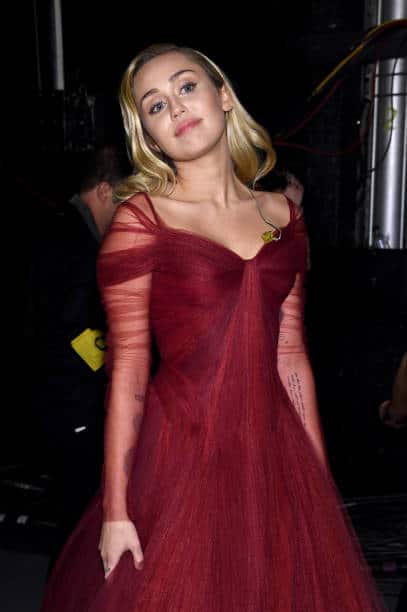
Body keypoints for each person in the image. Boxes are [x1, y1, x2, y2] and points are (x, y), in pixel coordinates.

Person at [41, 43, 386, 611]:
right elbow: (127, 372)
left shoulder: (283, 217)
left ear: (223, 96)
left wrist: (318, 483)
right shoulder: (142, 220)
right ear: (150, 136)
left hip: (271, 454)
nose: (175, 107)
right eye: (155, 105)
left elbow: (291, 358)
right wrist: (117, 510)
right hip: (182, 452)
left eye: (186, 86)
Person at [26, 145, 130, 560]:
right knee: (79, 526)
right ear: (104, 190)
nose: (125, 213)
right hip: (72, 405)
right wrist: (117, 363)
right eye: (122, 200)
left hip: (59, 400)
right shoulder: (74, 243)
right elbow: (73, 330)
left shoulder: (61, 228)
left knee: (77, 522)